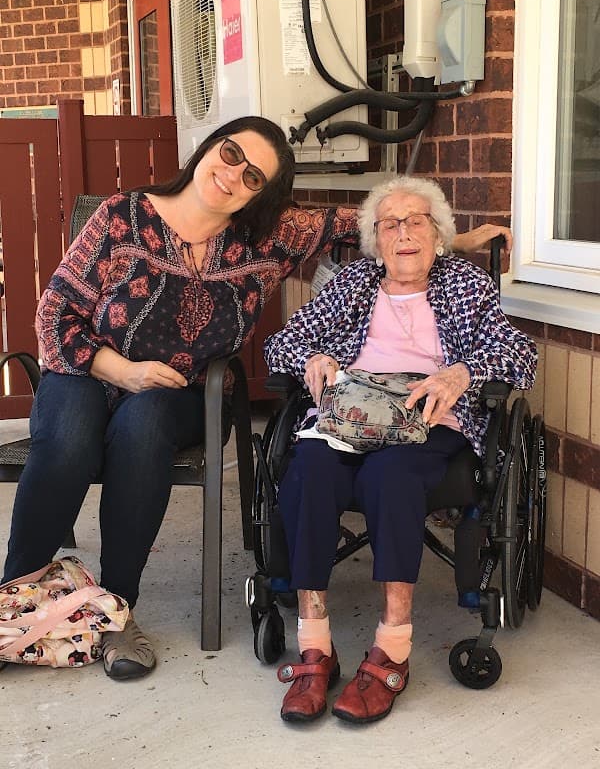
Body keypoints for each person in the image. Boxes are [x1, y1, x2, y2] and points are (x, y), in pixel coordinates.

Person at [1, 114, 512, 682]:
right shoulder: (123, 215)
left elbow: (371, 224)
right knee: (68, 440)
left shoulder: (266, 236)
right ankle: (11, 607)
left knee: (143, 428)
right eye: (231, 154)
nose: (234, 175)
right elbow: (54, 312)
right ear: (207, 149)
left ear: (260, 195)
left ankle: (118, 610)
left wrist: (454, 240)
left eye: (253, 177)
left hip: (178, 391)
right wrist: (123, 370)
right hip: (88, 367)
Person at [264, 175, 537, 724]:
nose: (404, 233)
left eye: (416, 221)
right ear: (376, 239)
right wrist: (313, 358)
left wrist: (462, 372)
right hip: (350, 415)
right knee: (310, 466)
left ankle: (391, 648)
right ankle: (315, 647)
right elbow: (281, 343)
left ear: (438, 234)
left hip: (428, 419)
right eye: (390, 224)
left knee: (389, 476)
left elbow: (520, 353)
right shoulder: (351, 283)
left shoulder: (465, 284)